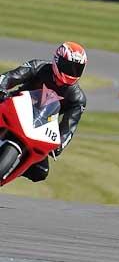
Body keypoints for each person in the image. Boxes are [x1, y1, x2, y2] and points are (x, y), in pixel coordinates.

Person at [0, 42, 87, 182]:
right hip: (14, 108)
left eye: (77, 69)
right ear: (57, 60)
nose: (72, 72)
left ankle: (12, 166)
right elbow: (11, 76)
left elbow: (69, 127)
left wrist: (60, 145)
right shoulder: (38, 67)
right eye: (68, 66)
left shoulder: (78, 98)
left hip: (38, 126)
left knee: (41, 171)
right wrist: (2, 87)